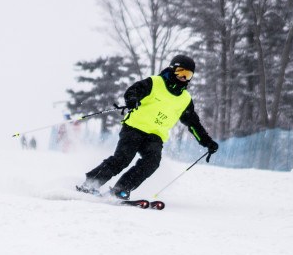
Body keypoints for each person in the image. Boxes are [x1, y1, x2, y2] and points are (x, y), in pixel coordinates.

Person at [77, 55, 219, 199]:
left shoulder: (185, 99)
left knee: (151, 163)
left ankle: (120, 190)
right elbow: (133, 90)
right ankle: (90, 184)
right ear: (172, 69)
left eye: (188, 75)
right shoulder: (155, 82)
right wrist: (132, 99)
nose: (183, 77)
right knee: (123, 159)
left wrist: (207, 142)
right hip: (134, 128)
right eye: (180, 72)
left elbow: (193, 124)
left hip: (155, 136)